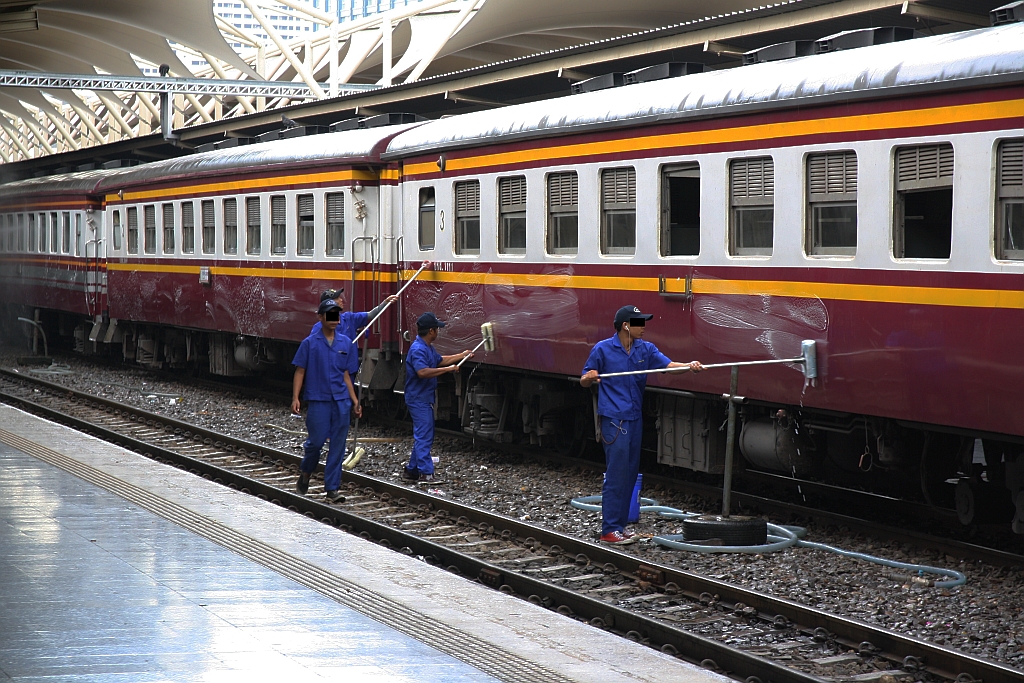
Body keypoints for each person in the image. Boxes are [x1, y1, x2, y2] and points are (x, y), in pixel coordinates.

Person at [580, 305, 702, 545]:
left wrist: (689, 365)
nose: (644, 327)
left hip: (634, 418)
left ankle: (621, 527)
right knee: (616, 475)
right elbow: (584, 379)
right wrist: (590, 377)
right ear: (626, 325)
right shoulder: (603, 349)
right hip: (614, 420)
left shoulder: (645, 349)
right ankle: (609, 530)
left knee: (629, 474)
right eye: (639, 323)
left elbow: (667, 367)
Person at [292, 299, 362, 502]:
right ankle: (306, 471)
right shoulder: (310, 343)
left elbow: (346, 374)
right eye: (329, 314)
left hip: (341, 402)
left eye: (337, 314)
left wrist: (355, 401)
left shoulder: (345, 343)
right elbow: (300, 371)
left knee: (338, 446)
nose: (334, 318)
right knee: (315, 442)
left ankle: (332, 488)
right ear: (320, 317)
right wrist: (296, 397)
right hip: (318, 400)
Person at [402, 312, 473, 482]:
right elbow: (423, 372)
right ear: (432, 331)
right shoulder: (419, 349)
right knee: (424, 434)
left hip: (422, 397)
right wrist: (448, 370)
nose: (438, 332)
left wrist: (461, 355)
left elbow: (439, 360)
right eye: (437, 329)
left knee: (423, 433)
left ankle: (411, 471)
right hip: (419, 398)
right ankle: (426, 472)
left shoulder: (425, 347)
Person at [310, 287, 399, 343]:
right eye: (337, 298)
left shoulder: (349, 318)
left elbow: (370, 315)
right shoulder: (318, 328)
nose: (341, 300)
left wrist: (385, 303)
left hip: (349, 369)